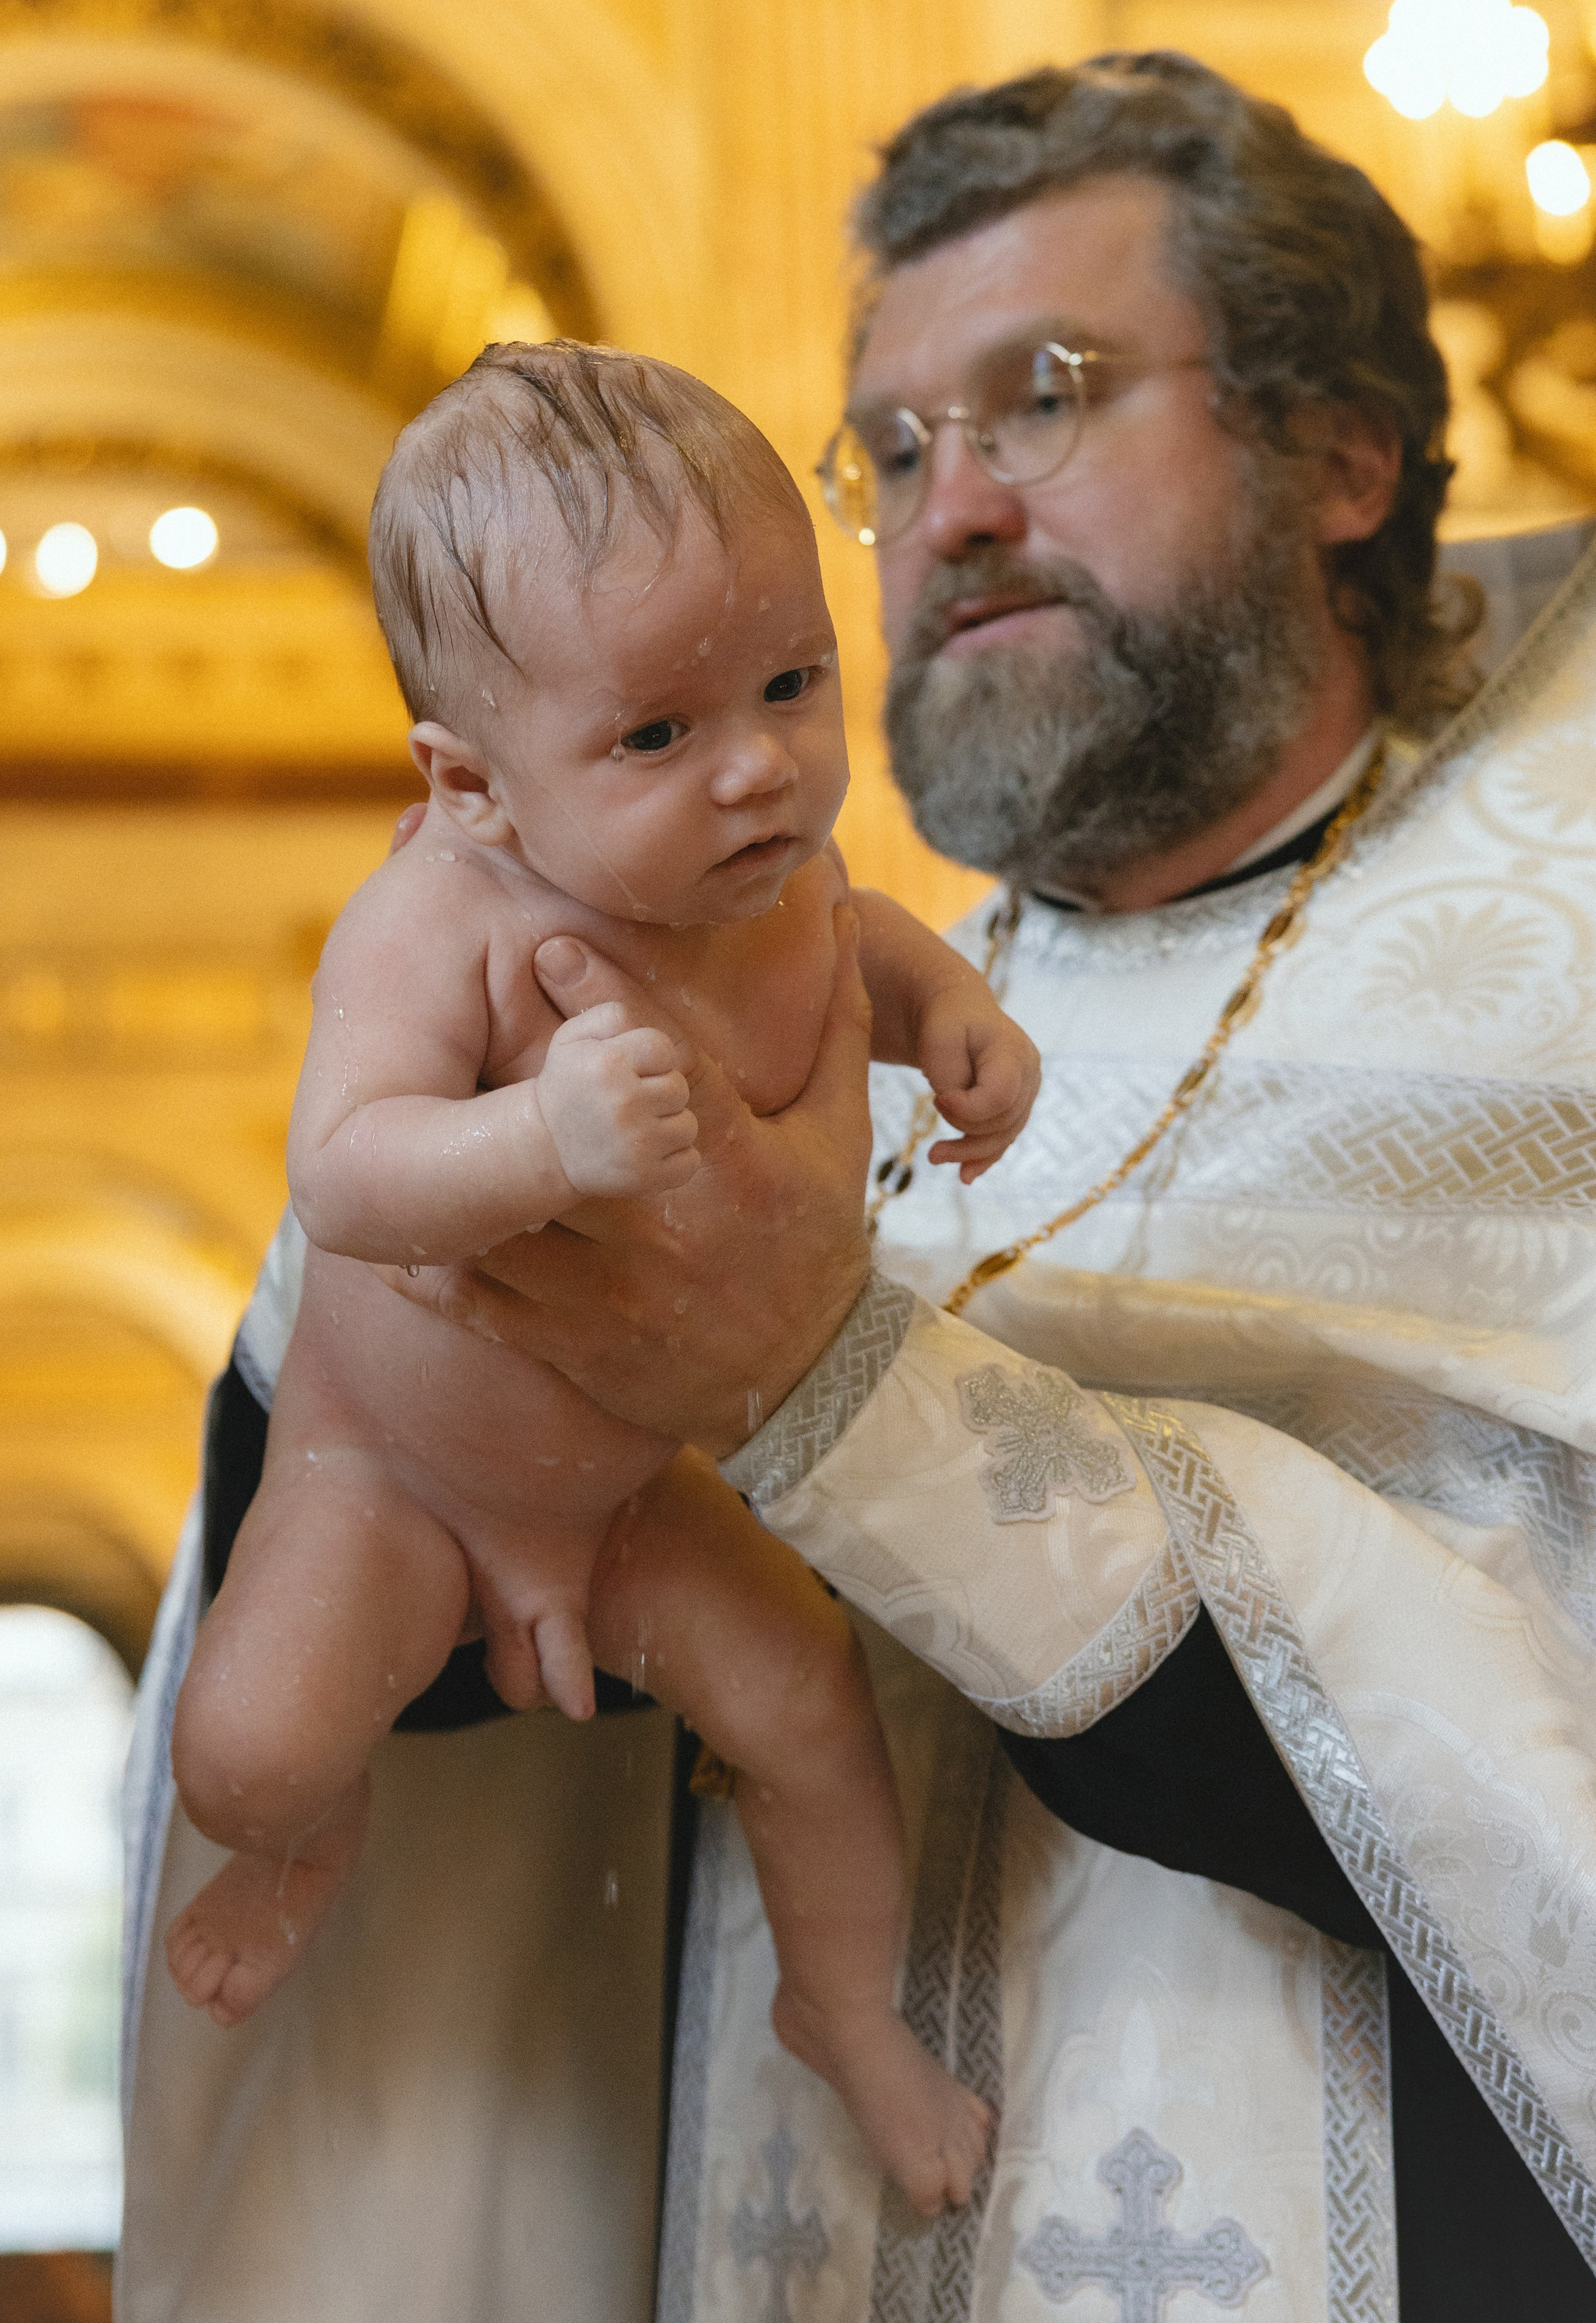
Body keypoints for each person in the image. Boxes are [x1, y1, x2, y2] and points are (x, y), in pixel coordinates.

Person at [119, 52, 1596, 2323]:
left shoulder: (1591, 974)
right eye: (897, 449)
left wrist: (822, 1379)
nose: (952, 505)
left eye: (1046, 395)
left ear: (1345, 454)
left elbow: (1557, 1782)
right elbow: (475, 1754)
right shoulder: (705, 957)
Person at [162, 344, 1028, 2215]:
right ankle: (301, 1843)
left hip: (637, 1490)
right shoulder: (437, 918)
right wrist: (540, 1140)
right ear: (470, 783)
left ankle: (846, 2012)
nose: (758, 764)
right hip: (393, 1482)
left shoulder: (774, 869)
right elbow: (346, 1172)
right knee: (247, 1745)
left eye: (794, 682)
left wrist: (951, 1012)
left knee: (806, 1701)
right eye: (654, 734)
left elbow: (859, 945)